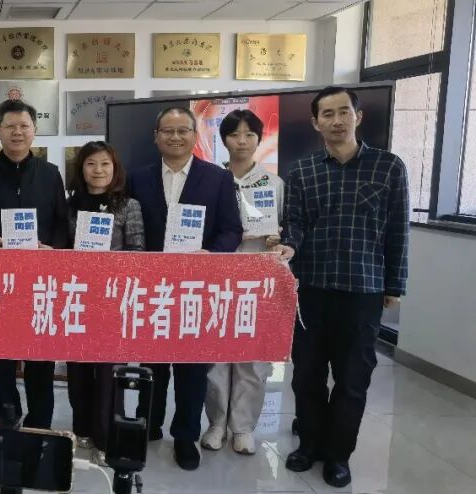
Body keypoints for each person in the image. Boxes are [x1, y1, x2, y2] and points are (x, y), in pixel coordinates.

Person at [273, 86, 409, 488]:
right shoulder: (302, 171)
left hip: (363, 289)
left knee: (353, 380)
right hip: (311, 288)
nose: (336, 121)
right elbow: (295, 223)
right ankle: (309, 444)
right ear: (316, 123)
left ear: (357, 116)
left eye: (343, 112)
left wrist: (394, 284)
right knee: (307, 375)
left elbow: (398, 231)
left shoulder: (389, 167)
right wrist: (289, 245)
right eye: (327, 114)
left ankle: (338, 455)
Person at [128, 106, 243, 471]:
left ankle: (185, 435)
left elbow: (232, 229)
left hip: (197, 287)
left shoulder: (218, 178)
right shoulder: (137, 178)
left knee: (192, 368)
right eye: (167, 130)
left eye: (183, 130)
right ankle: (148, 425)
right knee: (152, 363)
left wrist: (213, 254)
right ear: (156, 136)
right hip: (151, 287)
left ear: (195, 136)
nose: (175, 137)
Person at [0, 99, 70, 430]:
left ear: (34, 131)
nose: (17, 132)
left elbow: (61, 222)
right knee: (0, 354)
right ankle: (4, 415)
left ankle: (40, 422)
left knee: (40, 355)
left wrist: (52, 248)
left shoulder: (50, 174)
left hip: (41, 280)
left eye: (24, 126)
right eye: (10, 126)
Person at [201, 109, 283, 455]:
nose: (242, 141)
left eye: (250, 134)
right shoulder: (211, 181)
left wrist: (278, 239)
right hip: (217, 278)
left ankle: (243, 427)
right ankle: (217, 423)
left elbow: (287, 232)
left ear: (259, 140)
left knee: (252, 356)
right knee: (215, 354)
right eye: (235, 134)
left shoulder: (273, 184)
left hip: (257, 279)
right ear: (224, 140)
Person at [64, 141, 144, 458]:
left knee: (110, 372)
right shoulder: (69, 205)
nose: (98, 170)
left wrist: (110, 266)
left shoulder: (128, 206)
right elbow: (63, 250)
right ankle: (82, 429)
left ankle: (105, 437)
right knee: (78, 370)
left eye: (105, 164)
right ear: (81, 169)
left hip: (113, 300)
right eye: (91, 164)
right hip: (78, 298)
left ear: (115, 168)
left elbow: (137, 251)